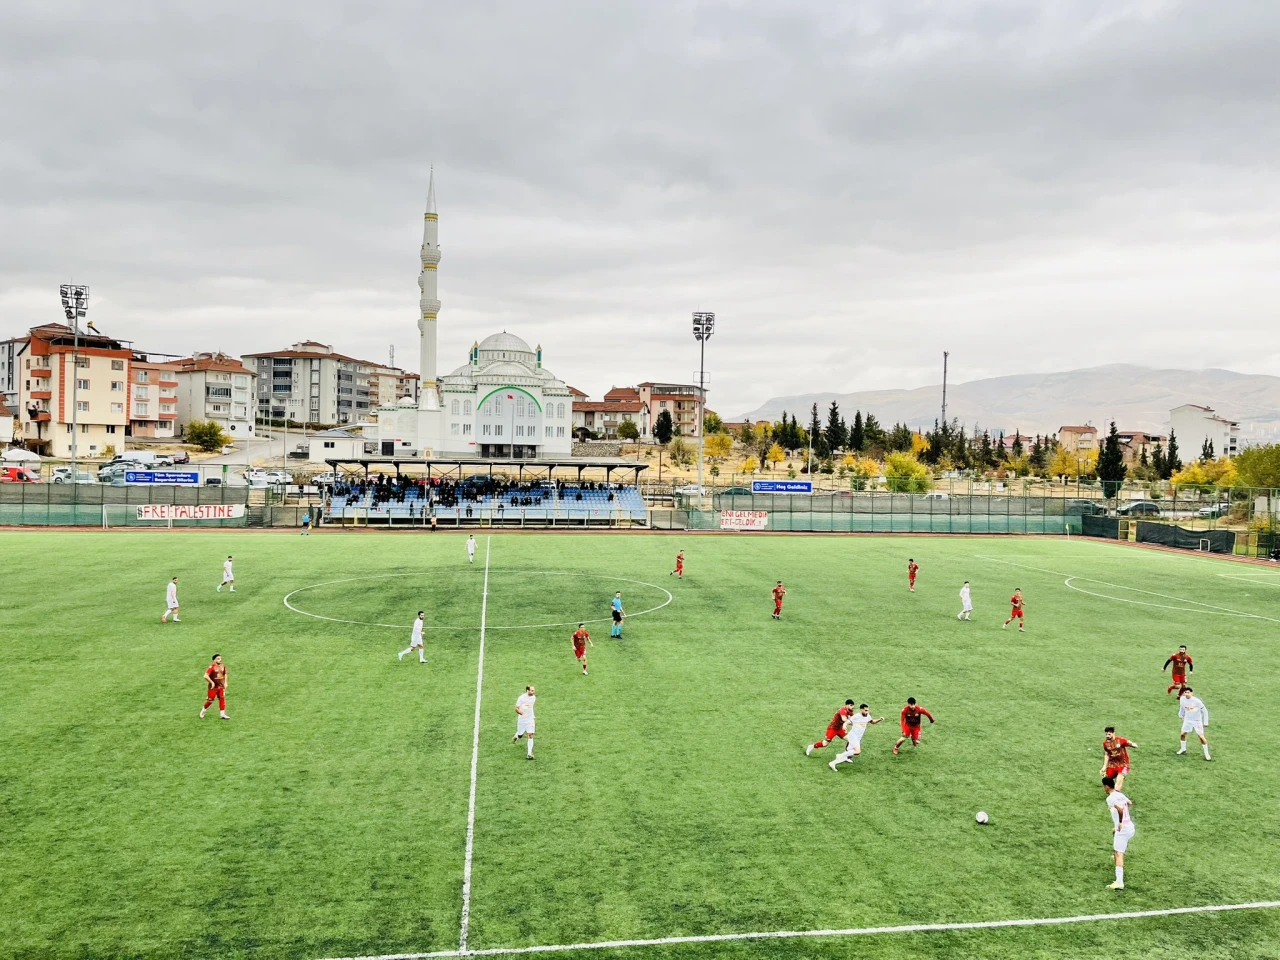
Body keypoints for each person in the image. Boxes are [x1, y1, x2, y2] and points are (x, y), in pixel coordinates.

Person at [1102, 776, 1135, 890]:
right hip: (1130, 826)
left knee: (1119, 854)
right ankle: (1117, 853)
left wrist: (1120, 822)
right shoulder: (1119, 794)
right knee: (1114, 833)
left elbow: (1120, 809)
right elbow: (1129, 803)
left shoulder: (1110, 798)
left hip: (1123, 829)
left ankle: (1119, 882)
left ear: (1106, 786)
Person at [829, 704, 885, 771]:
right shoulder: (856, 716)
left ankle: (833, 763)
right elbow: (846, 722)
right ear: (861, 710)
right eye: (865, 710)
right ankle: (840, 755)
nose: (867, 712)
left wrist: (879, 719)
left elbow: (872, 722)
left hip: (858, 738)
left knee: (849, 754)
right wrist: (844, 727)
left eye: (868, 710)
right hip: (853, 736)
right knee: (858, 751)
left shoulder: (868, 716)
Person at [1177, 687, 1211, 760]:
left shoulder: (1197, 701)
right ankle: (1183, 749)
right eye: (1185, 692)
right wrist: (1180, 714)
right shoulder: (1182, 699)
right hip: (1188, 720)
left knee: (1201, 737)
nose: (1186, 694)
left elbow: (1205, 711)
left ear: (1192, 693)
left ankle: (1207, 754)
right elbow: (1182, 707)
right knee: (1182, 734)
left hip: (1197, 721)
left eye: (1188, 692)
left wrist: (1205, 722)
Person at [1101, 727, 1136, 791]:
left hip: (1124, 765)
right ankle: (1112, 793)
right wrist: (1104, 766)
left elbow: (1128, 742)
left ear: (1113, 733)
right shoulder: (1105, 743)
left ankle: (1116, 795)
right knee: (1107, 781)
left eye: (1109, 734)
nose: (1107, 736)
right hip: (1112, 765)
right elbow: (1107, 754)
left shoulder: (1120, 740)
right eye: (1106, 734)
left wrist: (1133, 744)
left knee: (1119, 780)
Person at [200, 653, 229, 719]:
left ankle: (222, 714)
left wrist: (225, 683)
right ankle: (203, 710)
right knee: (210, 700)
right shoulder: (212, 667)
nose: (220, 660)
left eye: (220, 658)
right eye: (218, 659)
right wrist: (212, 682)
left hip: (221, 686)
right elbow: (205, 676)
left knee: (222, 699)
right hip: (213, 688)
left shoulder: (223, 666)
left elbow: (225, 674)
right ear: (214, 660)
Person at [513, 685, 536, 759]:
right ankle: (517, 735)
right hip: (522, 719)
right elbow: (516, 709)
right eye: (532, 690)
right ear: (527, 690)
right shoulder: (521, 698)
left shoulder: (533, 698)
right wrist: (522, 713)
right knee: (520, 735)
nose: (533, 692)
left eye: (533, 690)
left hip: (530, 719)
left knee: (530, 734)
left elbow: (529, 707)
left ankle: (529, 753)